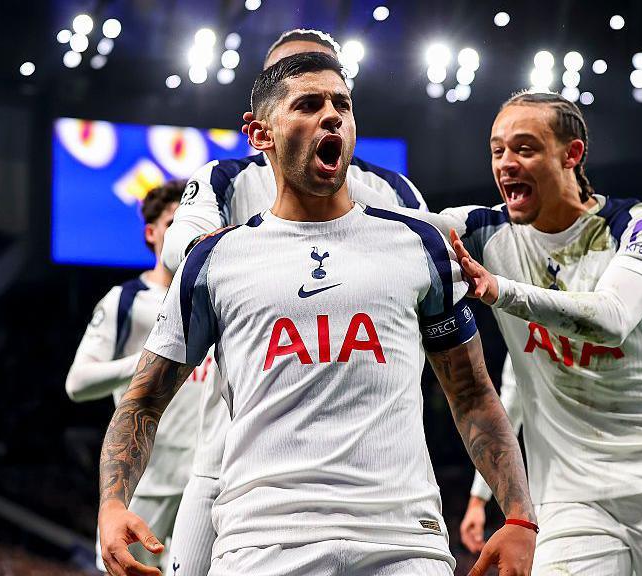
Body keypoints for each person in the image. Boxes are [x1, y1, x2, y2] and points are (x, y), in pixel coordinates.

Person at [97, 52, 535, 576]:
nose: (332, 115)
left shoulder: (418, 243)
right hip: (263, 542)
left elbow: (472, 394)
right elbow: (142, 401)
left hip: (402, 542)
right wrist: (112, 504)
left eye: (341, 105)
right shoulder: (215, 260)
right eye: (308, 104)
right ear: (261, 134)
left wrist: (519, 516)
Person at [441, 91, 642, 574]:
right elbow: (407, 236)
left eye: (524, 148)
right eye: (497, 150)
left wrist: (498, 289)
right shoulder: (484, 232)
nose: (506, 163)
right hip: (569, 500)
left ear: (572, 154)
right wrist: (483, 495)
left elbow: (609, 319)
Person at [161, 29, 430, 576]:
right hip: (234, 450)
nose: (322, 107)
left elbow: (432, 287)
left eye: (332, 92)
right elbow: (180, 247)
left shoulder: (395, 193)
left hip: (374, 478)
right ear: (266, 110)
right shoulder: (224, 179)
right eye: (298, 91)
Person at [65, 180, 216, 574]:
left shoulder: (217, 299)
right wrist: (152, 361)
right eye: (172, 223)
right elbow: (77, 383)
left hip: (209, 484)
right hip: (145, 486)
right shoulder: (126, 300)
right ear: (151, 234)